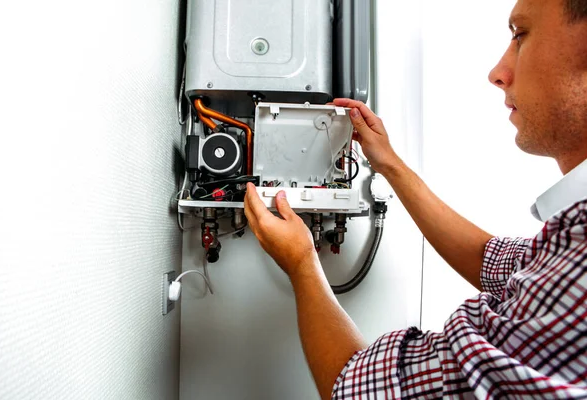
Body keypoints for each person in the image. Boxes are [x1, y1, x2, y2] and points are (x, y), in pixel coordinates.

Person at [244, 0, 587, 398]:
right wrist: (390, 165)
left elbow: (359, 392)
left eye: (520, 35)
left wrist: (303, 262)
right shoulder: (571, 236)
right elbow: (490, 259)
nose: (498, 73)